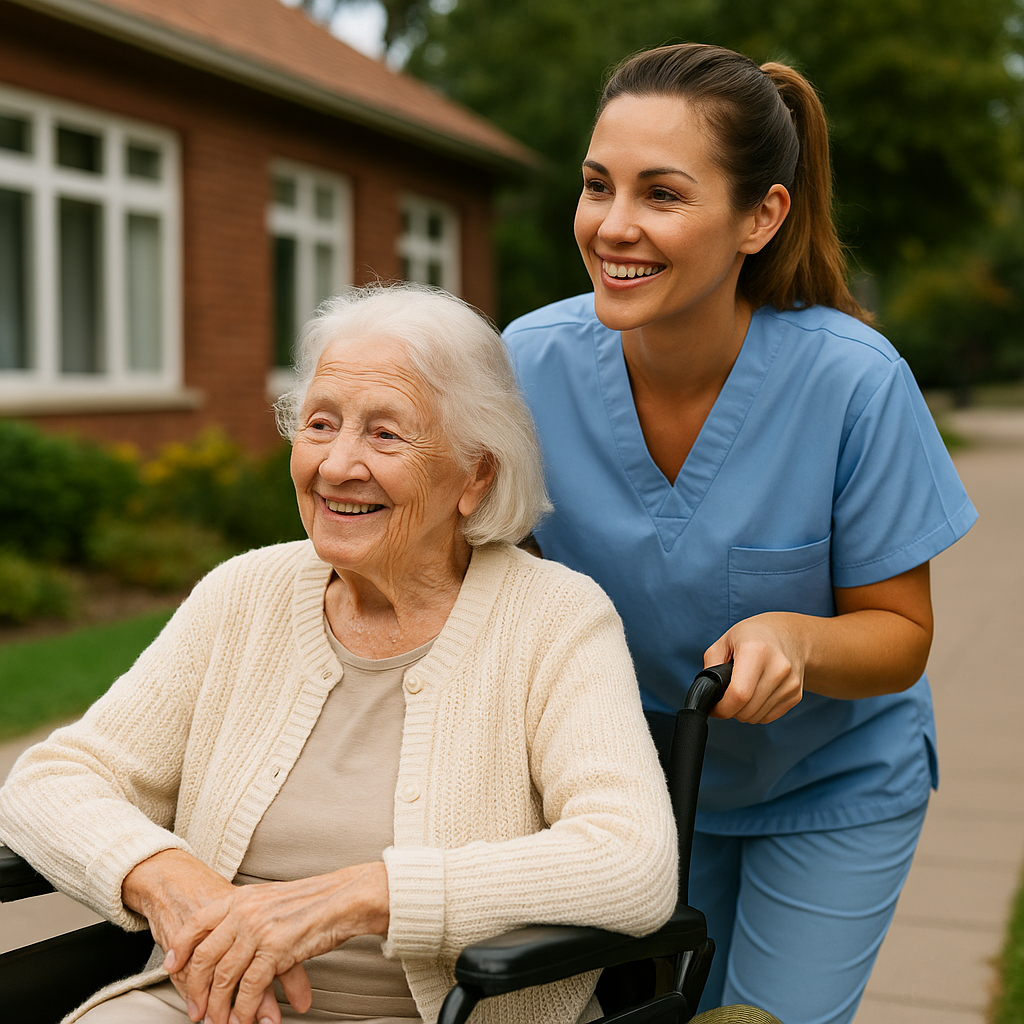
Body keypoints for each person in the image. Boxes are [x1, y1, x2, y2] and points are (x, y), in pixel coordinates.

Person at [0, 283, 677, 1024]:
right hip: (208, 1007)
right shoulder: (244, 594)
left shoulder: (554, 619)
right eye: (321, 424)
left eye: (386, 434)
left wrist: (357, 897)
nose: (337, 465)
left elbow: (631, 861)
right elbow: (55, 779)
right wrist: (171, 883)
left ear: (475, 472)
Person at [502, 43, 977, 1024]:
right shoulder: (527, 366)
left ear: (760, 216)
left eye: (662, 194)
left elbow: (900, 631)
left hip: (827, 783)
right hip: (638, 797)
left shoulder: (853, 381)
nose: (613, 225)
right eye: (598, 186)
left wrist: (796, 638)